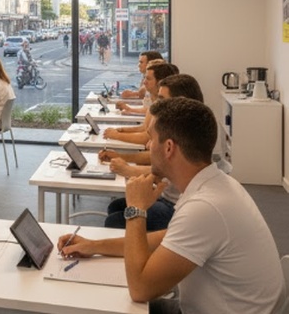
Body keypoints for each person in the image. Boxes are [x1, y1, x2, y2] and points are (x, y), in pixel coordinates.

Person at [59, 98, 286, 313]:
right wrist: (94, 245)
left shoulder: (205, 207)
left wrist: (136, 209)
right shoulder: (215, 184)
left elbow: (140, 289)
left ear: (168, 148)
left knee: (104, 305)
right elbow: (161, 241)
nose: (148, 145)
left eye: (151, 138)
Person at [101, 74, 204, 231]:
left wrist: (128, 168)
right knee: (117, 207)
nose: (157, 103)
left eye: (162, 99)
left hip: (175, 206)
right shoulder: (178, 125)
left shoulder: (183, 133)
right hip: (168, 198)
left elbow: (160, 173)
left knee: (115, 220)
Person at [103, 62, 177, 145]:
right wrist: (122, 130)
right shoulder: (155, 102)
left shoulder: (164, 106)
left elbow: (146, 137)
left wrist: (117, 135)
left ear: (160, 82)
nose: (144, 82)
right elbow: (144, 128)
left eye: (148, 79)